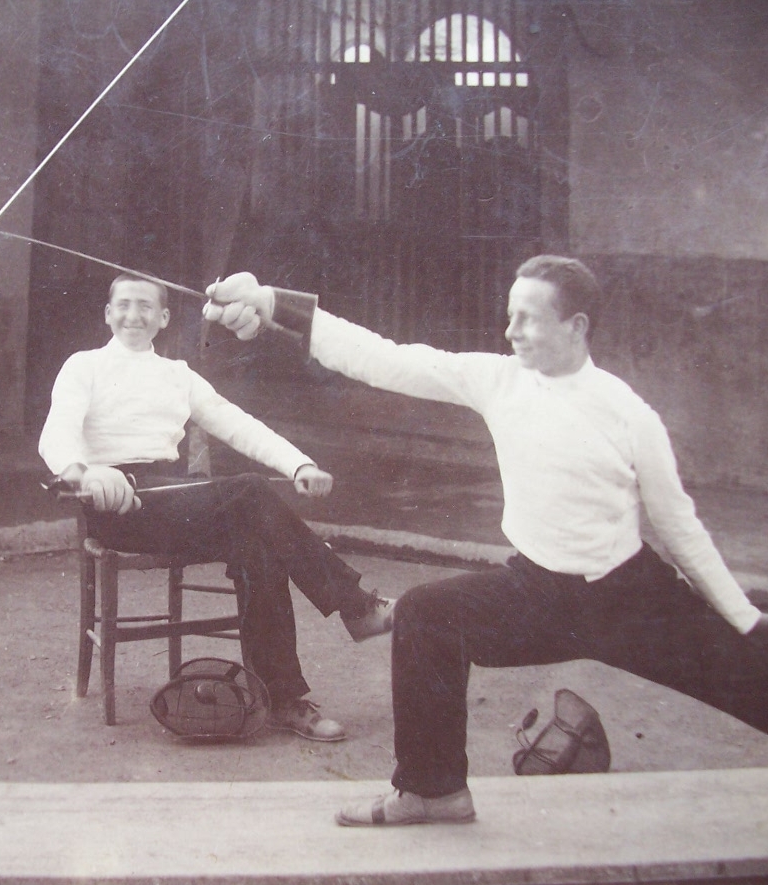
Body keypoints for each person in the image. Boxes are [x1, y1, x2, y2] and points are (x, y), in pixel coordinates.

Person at [205, 255, 768, 825]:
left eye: (528, 318)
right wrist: (271, 303)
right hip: (537, 592)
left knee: (753, 668)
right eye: (509, 315)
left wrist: (745, 619)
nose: (510, 331)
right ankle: (433, 790)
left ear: (576, 326)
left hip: (627, 597)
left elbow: (679, 527)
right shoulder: (499, 380)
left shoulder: (630, 414)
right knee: (426, 616)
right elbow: (384, 359)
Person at [38, 273, 395, 742]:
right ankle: (356, 606)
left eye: (146, 306)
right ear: (108, 314)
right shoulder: (83, 366)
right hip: (115, 500)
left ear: (164, 318)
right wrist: (84, 473)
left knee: (258, 544)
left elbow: (236, 423)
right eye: (123, 305)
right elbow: (57, 431)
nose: (133, 315)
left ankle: (283, 699)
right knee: (250, 490)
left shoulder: (178, 375)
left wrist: (298, 464)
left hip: (173, 499)